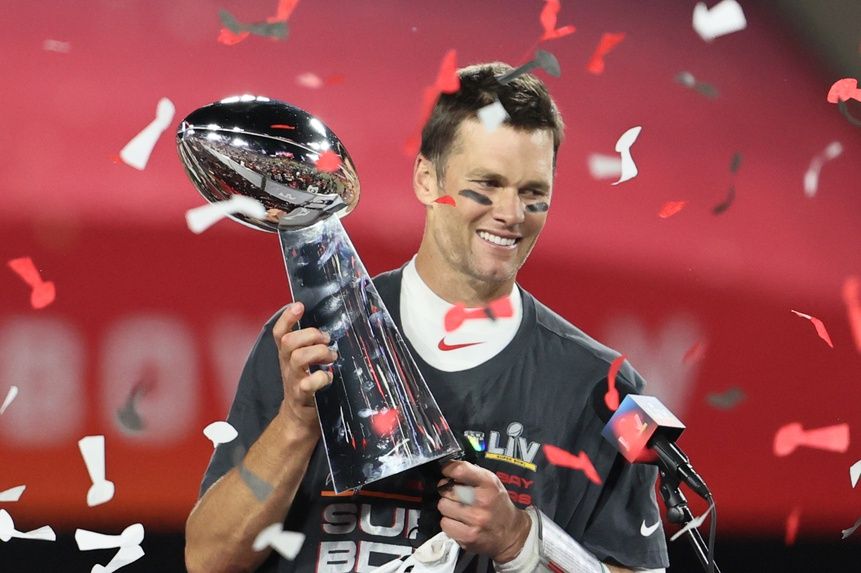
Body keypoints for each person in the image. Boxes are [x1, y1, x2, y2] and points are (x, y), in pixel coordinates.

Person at [184, 62, 670, 573]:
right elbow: (209, 560)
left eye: (533, 193)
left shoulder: (602, 389)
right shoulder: (310, 343)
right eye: (486, 184)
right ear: (425, 179)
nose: (510, 213)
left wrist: (523, 543)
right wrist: (296, 425)